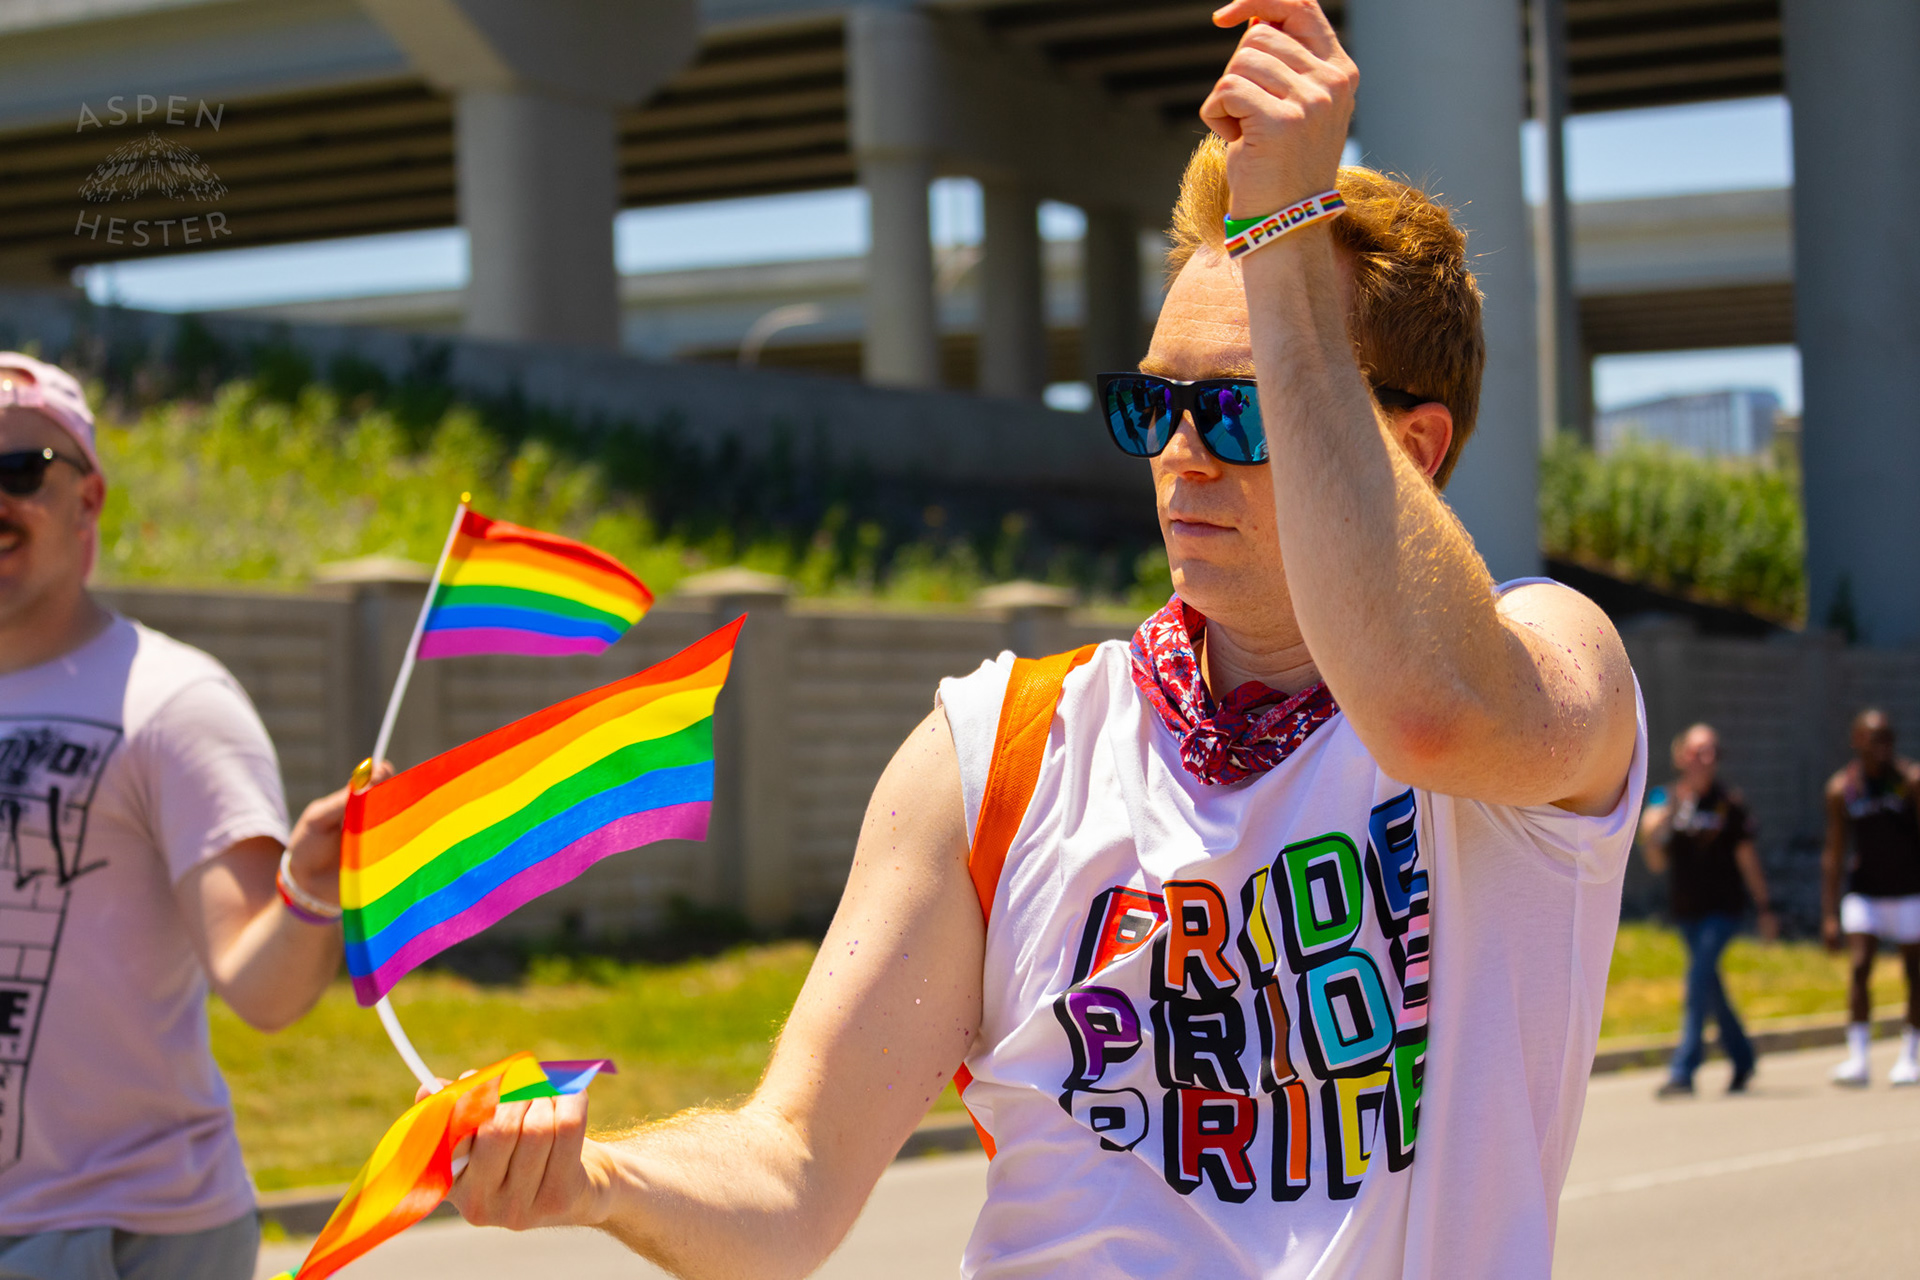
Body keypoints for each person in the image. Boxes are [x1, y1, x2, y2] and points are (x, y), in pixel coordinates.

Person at [433, 3, 1644, 1274]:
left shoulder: (1547, 663)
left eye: (1240, 408)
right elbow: (791, 1166)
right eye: (1152, 404)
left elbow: (1429, 709)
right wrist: (597, 1172)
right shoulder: (999, 743)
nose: (1180, 453)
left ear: (1413, 447)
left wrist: (1287, 233)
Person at [0, 352, 375, 1278]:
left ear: (87, 502)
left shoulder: (171, 702)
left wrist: (312, 887)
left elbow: (263, 986)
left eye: (20, 472)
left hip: (114, 1234)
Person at [1639, 723, 1775, 1098]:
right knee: (1710, 986)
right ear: (1682, 756)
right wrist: (1663, 818)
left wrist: (1765, 907)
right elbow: (1653, 855)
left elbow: (1748, 860)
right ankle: (1743, 1057)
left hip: (1723, 909)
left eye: (1712, 751)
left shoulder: (1729, 803)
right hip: (1687, 911)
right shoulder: (1665, 798)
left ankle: (1684, 1068)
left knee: (1698, 980)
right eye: (1699, 751)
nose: (1707, 759)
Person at [1822, 707, 1920, 1087]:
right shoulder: (1842, 789)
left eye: (1889, 740)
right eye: (1875, 740)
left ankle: (1910, 1056)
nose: (1883, 748)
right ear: (1857, 742)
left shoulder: (1909, 782)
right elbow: (1833, 853)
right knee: (1860, 966)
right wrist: (1829, 914)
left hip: (1910, 891)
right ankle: (1858, 1058)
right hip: (1865, 892)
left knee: (1914, 975)